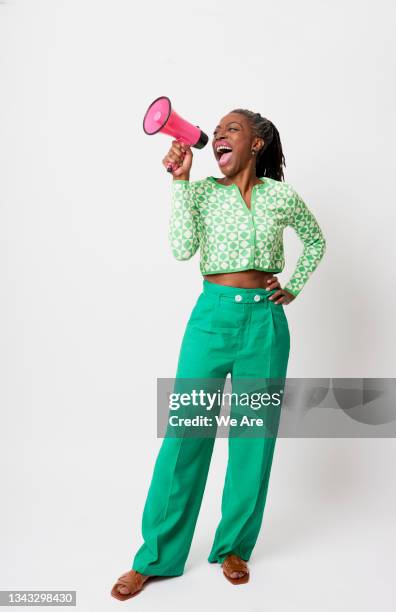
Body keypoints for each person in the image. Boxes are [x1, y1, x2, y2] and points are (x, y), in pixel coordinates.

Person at [111, 109, 326, 600]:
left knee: (253, 438)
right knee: (186, 434)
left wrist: (291, 287)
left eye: (233, 128)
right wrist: (181, 182)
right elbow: (182, 249)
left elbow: (315, 240)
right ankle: (157, 557)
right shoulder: (204, 191)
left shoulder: (281, 196)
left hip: (266, 326)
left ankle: (234, 547)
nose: (220, 135)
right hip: (211, 320)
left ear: (257, 143)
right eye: (219, 131)